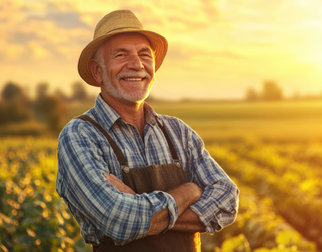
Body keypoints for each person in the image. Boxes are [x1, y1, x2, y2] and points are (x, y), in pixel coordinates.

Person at [56, 10, 239, 252]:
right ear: (97, 71)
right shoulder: (80, 135)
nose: (136, 64)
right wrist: (189, 191)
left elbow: (227, 200)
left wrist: (139, 204)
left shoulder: (178, 132)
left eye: (144, 54)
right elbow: (119, 220)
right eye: (121, 54)